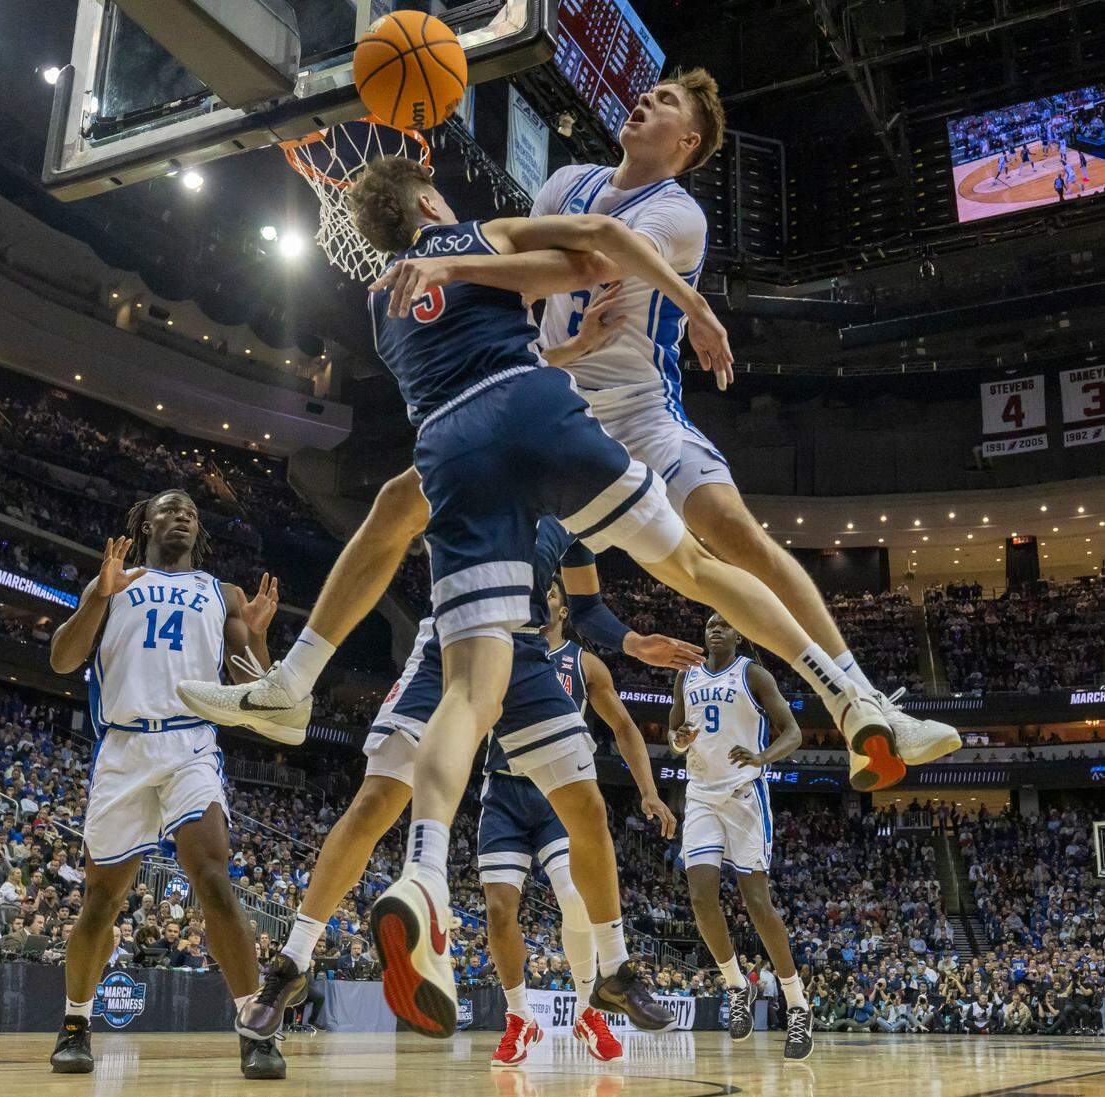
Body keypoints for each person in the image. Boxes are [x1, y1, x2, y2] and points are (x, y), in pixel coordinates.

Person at [181, 149, 905, 1039]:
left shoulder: (383, 307)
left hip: (463, 477)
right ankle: (846, 689)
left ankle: (446, 886)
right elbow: (590, 253)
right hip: (522, 441)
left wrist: (566, 345)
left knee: (505, 735)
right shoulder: (475, 244)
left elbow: (583, 592)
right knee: (697, 567)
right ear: (427, 198)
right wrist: (677, 304)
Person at [393, 67, 960, 782]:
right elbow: (530, 290)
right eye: (647, 92)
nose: (644, 101)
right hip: (548, 405)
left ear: (686, 141)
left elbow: (591, 261)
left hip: (638, 411)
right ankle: (321, 685)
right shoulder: (564, 180)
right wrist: (545, 332)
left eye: (664, 102)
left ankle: (865, 702)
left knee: (731, 535)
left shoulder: (679, 211)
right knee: (414, 511)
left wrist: (459, 266)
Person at [226, 511, 696, 1044]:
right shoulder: (466, 459)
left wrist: (634, 642)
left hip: (524, 652)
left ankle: (614, 970)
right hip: (449, 639)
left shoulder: (570, 509)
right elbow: (386, 535)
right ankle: (292, 961)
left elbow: (586, 605)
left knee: (588, 808)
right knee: (377, 798)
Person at [45, 493, 286, 1079]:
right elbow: (60, 659)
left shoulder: (221, 593)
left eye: (192, 513)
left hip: (190, 744)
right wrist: (97, 598)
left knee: (214, 878)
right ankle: (76, 1021)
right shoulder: (114, 582)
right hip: (124, 749)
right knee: (101, 901)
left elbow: (259, 688)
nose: (183, 515)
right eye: (170, 508)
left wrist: (253, 636)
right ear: (144, 522)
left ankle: (255, 1027)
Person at [482, 575, 677, 1067]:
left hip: (558, 796)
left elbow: (625, 727)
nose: (543, 601)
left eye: (551, 594)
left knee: (575, 897)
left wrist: (649, 792)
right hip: (503, 790)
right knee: (500, 910)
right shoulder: (498, 650)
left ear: (564, 609)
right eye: (537, 593)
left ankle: (590, 1008)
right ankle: (520, 1017)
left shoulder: (584, 663)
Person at [669, 613, 812, 1061]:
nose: (715, 627)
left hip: (745, 794)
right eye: (709, 622)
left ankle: (797, 1004)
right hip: (701, 795)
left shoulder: (753, 673)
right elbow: (674, 736)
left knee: (757, 902)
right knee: (699, 897)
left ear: (738, 634)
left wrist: (762, 756)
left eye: (726, 623)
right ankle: (735, 986)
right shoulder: (685, 676)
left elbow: (794, 732)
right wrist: (680, 738)